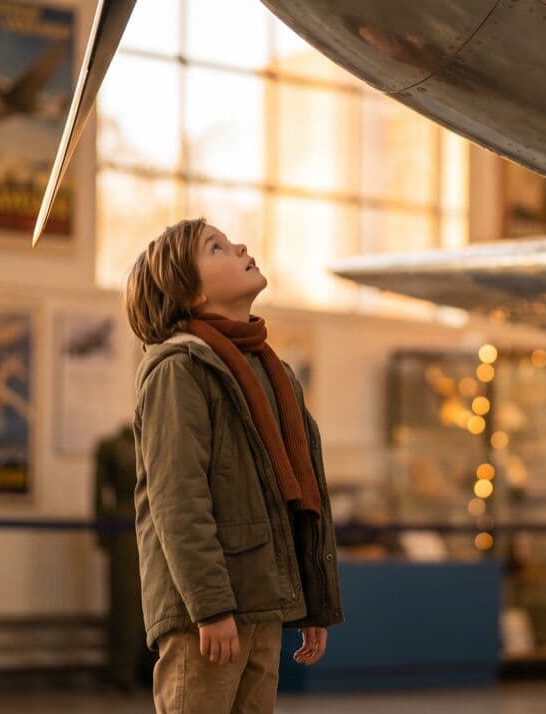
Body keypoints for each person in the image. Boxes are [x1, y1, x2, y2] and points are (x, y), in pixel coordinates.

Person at [125, 218, 344, 713]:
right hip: (208, 614)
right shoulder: (178, 370)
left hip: (262, 603)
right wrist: (211, 607)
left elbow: (297, 495)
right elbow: (177, 501)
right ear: (188, 293)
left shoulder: (273, 373)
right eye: (216, 248)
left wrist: (312, 600)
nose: (240, 246)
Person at [93, 424, 153, 691]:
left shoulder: (154, 437)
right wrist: (103, 533)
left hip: (152, 526)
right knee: (125, 604)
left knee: (153, 602)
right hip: (125, 528)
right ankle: (122, 670)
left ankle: (147, 668)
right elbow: (97, 495)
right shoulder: (111, 447)